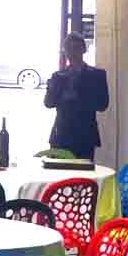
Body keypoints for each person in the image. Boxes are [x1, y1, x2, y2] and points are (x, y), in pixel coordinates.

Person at [44, 32, 110, 160]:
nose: (72, 52)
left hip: (85, 136)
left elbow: (103, 105)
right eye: (68, 49)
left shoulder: (97, 75)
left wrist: (79, 95)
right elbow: (48, 103)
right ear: (65, 52)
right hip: (60, 135)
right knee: (58, 171)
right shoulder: (57, 76)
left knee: (82, 172)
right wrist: (54, 87)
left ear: (83, 49)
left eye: (76, 48)